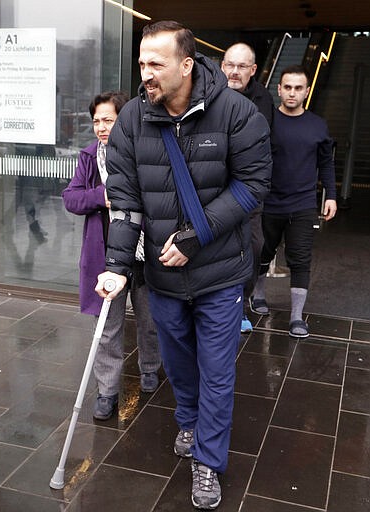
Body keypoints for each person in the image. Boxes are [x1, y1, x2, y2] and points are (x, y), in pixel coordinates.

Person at [95, 21, 271, 510]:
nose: (145, 74)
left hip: (219, 272)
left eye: (156, 64)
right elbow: (125, 198)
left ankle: (208, 463)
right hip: (163, 276)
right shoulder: (132, 118)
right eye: (142, 64)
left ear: (187, 65)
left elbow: (254, 185)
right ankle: (190, 422)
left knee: (217, 371)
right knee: (178, 364)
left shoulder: (236, 112)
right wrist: (117, 263)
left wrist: (194, 237)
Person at [62, 91, 161, 421]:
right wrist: (101, 196)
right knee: (107, 327)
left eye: (109, 120)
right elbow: (71, 199)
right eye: (96, 121)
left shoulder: (144, 154)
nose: (101, 127)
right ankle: (107, 390)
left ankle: (150, 368)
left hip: (145, 252)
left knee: (150, 320)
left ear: (125, 121)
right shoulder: (90, 157)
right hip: (105, 257)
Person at [251, 65, 337, 338]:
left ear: (307, 91)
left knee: (300, 260)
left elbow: (326, 164)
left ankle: (297, 317)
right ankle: (258, 295)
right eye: (287, 87)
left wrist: (332, 195)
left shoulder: (318, 126)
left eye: (298, 88)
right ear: (278, 89)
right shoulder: (267, 122)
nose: (292, 93)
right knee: (262, 253)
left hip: (302, 205)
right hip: (268, 202)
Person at [221, 42, 274, 333]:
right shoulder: (210, 95)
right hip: (214, 188)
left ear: (252, 70)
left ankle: (241, 305)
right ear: (222, 66)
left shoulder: (262, 101)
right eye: (230, 65)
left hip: (248, 191)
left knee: (253, 247)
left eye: (242, 67)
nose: (235, 72)